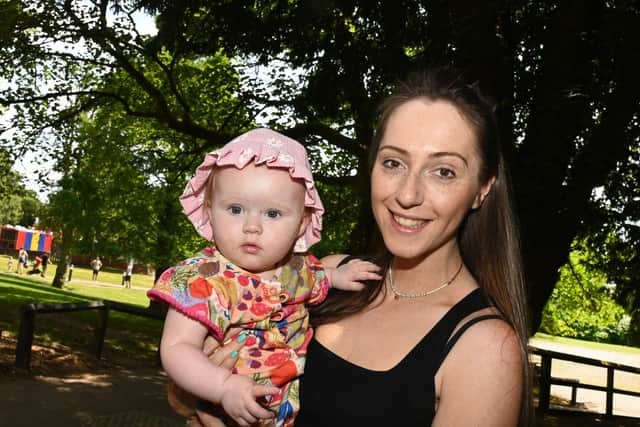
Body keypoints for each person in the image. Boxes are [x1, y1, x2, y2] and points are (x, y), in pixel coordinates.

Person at [192, 67, 532, 426]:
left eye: (443, 171)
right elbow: (196, 392)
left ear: (482, 188)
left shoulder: (486, 349)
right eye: (393, 163)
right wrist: (203, 393)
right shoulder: (329, 279)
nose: (407, 194)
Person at [148, 128, 380, 427]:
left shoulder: (298, 269)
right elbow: (177, 347)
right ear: (209, 210)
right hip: (230, 409)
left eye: (272, 214)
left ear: (301, 223)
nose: (252, 226)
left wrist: (338, 276)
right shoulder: (203, 278)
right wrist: (223, 386)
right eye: (235, 209)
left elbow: (320, 278)